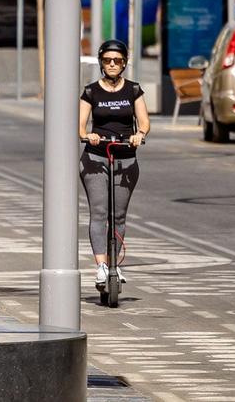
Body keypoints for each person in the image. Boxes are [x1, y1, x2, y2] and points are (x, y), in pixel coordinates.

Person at [79, 38, 149, 291]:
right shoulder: (90, 92)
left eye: (117, 61)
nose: (112, 64)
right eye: (107, 60)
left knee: (118, 214)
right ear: (101, 62)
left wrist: (139, 134)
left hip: (125, 157)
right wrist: (88, 135)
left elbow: (143, 121)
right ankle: (101, 265)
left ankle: (114, 264)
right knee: (99, 212)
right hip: (96, 158)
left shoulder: (133, 90)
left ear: (124, 64)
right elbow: (80, 123)